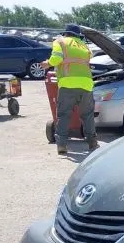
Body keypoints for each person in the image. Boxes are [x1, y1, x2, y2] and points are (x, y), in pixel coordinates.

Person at [41, 24, 98, 155]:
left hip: (67, 83)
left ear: (65, 33)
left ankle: (61, 145)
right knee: (87, 115)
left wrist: (47, 64)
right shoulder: (84, 46)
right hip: (86, 84)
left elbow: (57, 58)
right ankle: (92, 143)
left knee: (64, 115)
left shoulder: (59, 42)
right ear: (78, 35)